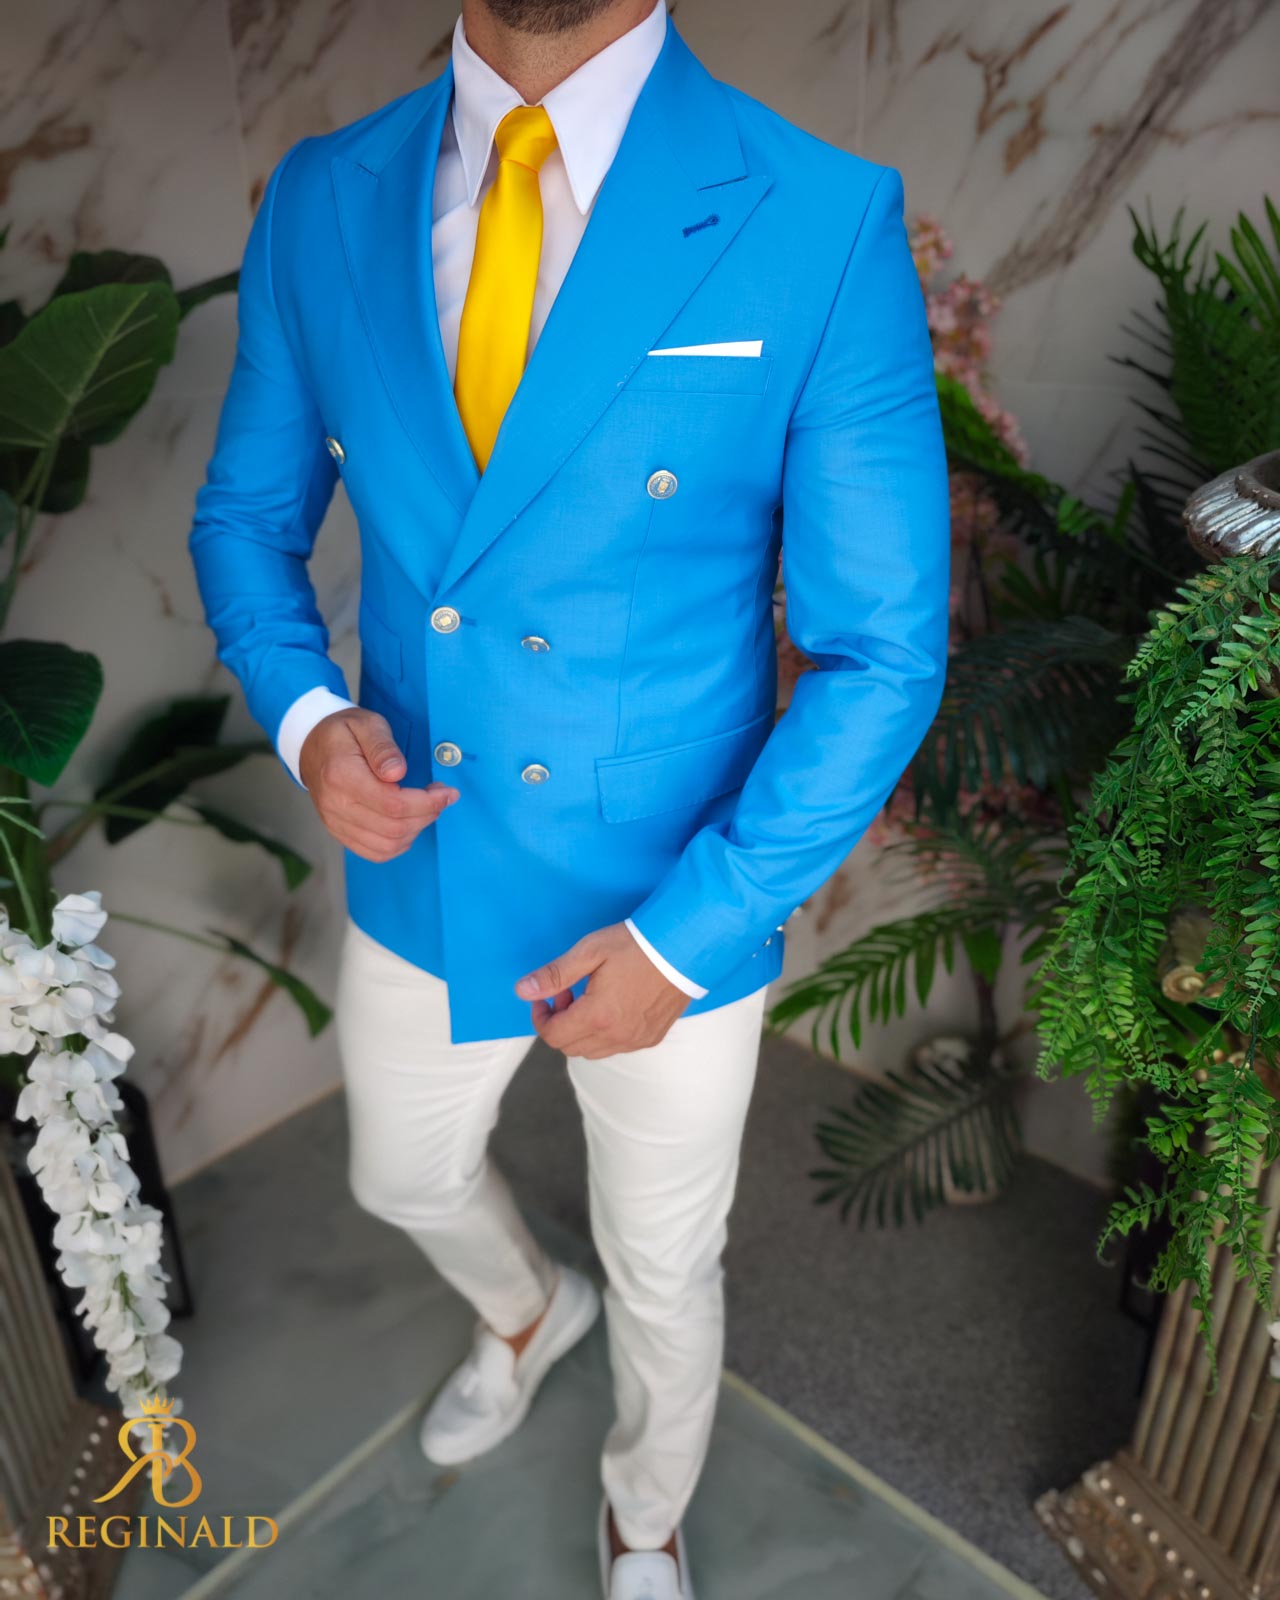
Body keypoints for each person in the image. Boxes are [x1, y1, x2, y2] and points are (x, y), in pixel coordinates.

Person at [188, 1, 950, 1593]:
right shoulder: (323, 193)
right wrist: (312, 720)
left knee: (667, 1263)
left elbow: (880, 653)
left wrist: (688, 938)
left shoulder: (818, 215)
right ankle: (531, 1314)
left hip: (675, 880)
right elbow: (247, 519)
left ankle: (644, 1514)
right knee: (399, 1173)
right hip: (426, 842)